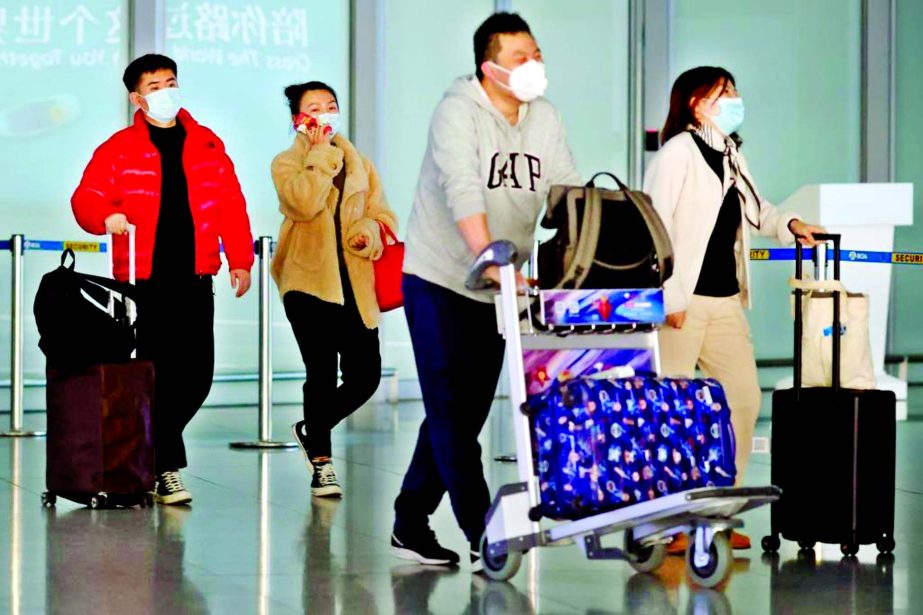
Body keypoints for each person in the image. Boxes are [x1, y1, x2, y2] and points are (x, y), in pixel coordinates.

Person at [391, 12, 581, 570]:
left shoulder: (544, 117)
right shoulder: (457, 112)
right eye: (522, 57)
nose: (535, 65)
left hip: (500, 288)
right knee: (451, 411)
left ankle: (409, 518)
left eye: (537, 53)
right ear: (490, 66)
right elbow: (463, 190)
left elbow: (563, 191)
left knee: (464, 412)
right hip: (440, 279)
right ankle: (485, 532)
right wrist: (489, 259)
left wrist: (577, 250)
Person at [642, 66, 823, 551]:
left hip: (724, 300)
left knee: (742, 400)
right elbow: (653, 227)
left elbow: (758, 210)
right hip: (682, 302)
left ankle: (718, 513)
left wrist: (792, 224)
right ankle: (669, 520)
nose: (735, 99)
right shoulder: (677, 153)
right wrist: (669, 297)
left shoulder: (730, 154)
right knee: (674, 413)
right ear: (697, 103)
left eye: (735, 91)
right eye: (725, 93)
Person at [72, 54, 254, 505]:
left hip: (195, 275)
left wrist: (241, 258)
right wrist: (105, 216)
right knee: (156, 374)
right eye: (154, 86)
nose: (164, 91)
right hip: (144, 279)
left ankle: (150, 454)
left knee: (197, 376)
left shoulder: (207, 144)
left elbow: (231, 204)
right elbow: (86, 198)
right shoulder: (118, 148)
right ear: (137, 97)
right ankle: (166, 468)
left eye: (169, 82)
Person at [271, 81, 397, 498]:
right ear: (298, 119)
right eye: (314, 108)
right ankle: (322, 465)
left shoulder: (360, 163)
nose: (325, 113)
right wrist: (322, 155)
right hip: (308, 282)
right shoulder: (286, 163)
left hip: (356, 284)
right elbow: (303, 204)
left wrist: (368, 233)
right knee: (320, 374)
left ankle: (311, 428)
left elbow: (382, 214)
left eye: (330, 105)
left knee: (366, 377)